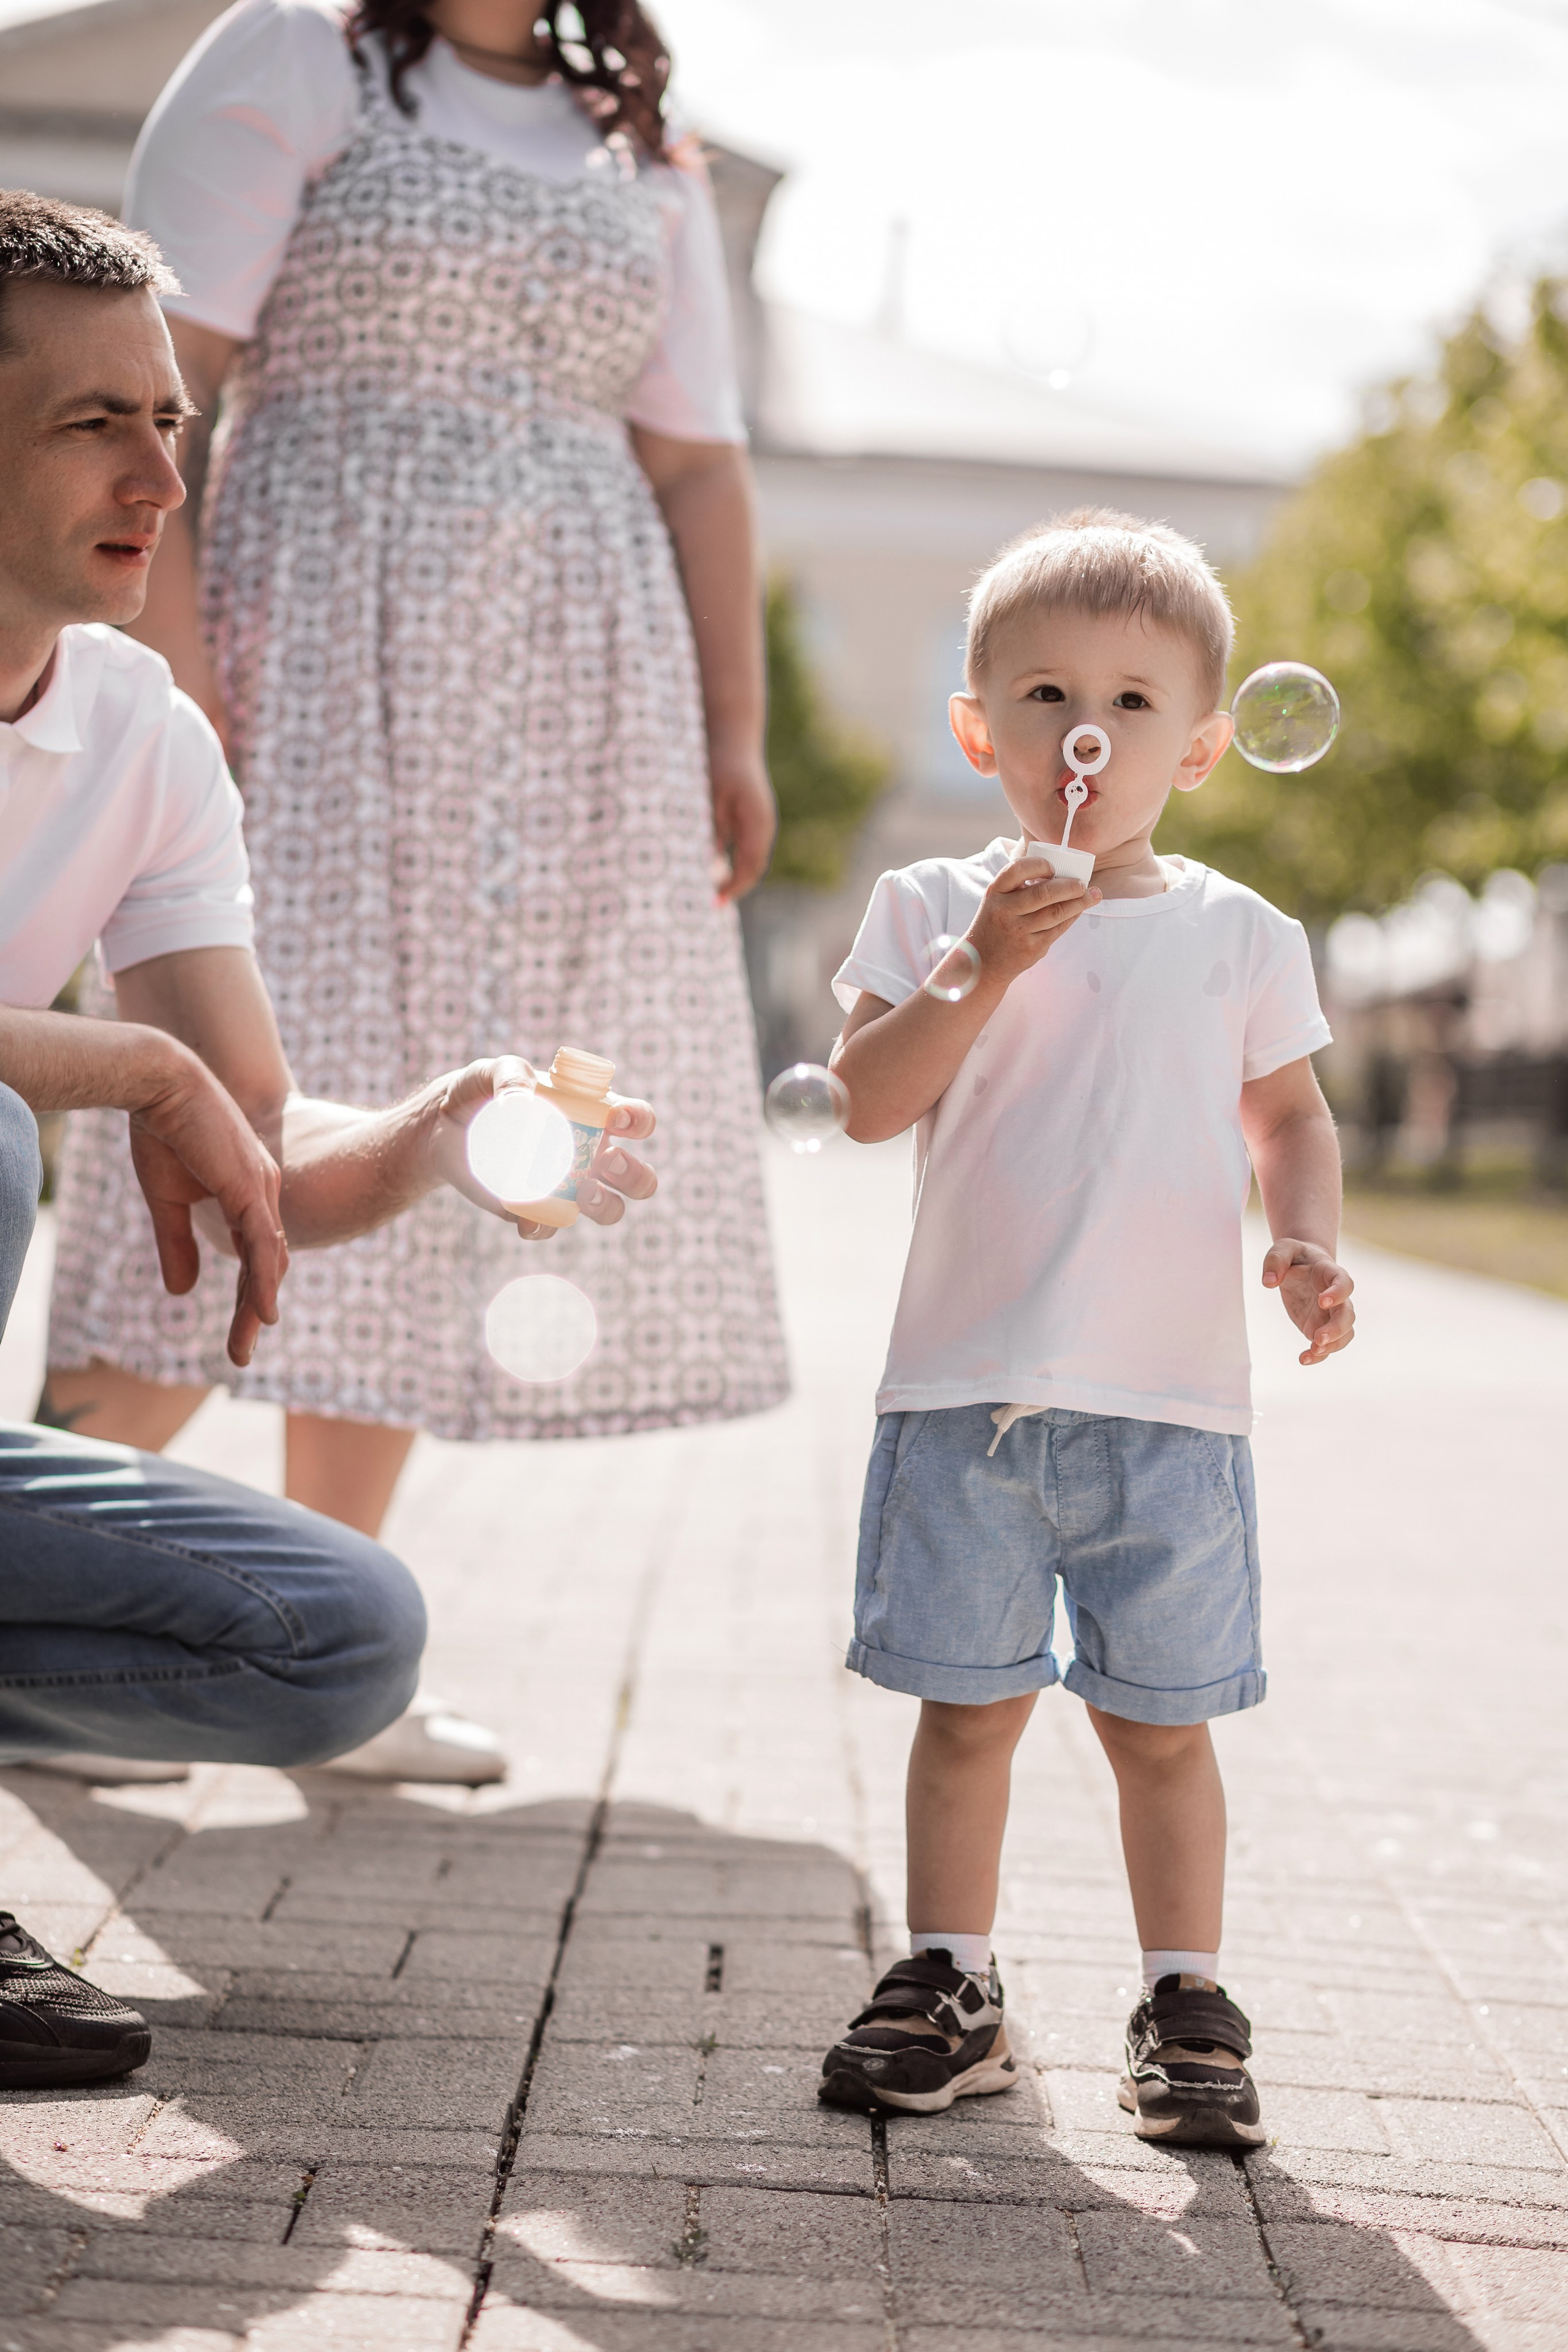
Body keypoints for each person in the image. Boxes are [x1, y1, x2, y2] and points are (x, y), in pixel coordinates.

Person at [42, 0, 788, 1779]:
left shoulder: (643, 144)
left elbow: (695, 461)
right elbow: (171, 393)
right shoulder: (294, 57)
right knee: (248, 1084)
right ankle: (53, 1625)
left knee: (459, 1115)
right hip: (314, 668)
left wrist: (734, 734)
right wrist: (182, 676)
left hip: (561, 707)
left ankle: (337, 1643)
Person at [0, 192, 655, 2082]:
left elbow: (264, 1151)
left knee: (335, 1630)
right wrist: (121, 1075)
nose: (163, 471)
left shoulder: (144, 739)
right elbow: (162, 1090)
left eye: (173, 420)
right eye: (95, 423)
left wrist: (450, 1127)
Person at [815, 511, 1356, 2148]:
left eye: (1131, 706)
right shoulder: (930, 906)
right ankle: (951, 1980)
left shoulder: (1238, 935)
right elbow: (863, 1102)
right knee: (965, 1712)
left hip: (1170, 1405)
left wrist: (1311, 1236)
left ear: (1197, 748)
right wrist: (983, 962)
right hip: (969, 1396)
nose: (1086, 735)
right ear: (981, 730)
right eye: (1046, 697)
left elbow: (1292, 1119)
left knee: (1162, 1726)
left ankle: (1187, 1992)